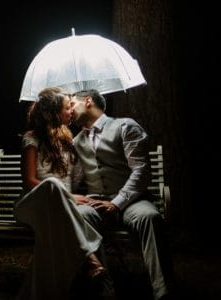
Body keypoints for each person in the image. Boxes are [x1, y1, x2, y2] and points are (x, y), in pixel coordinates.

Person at [69, 89, 175, 300]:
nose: (69, 110)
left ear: (88, 101)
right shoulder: (77, 141)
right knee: (78, 216)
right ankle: (104, 292)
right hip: (96, 202)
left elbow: (141, 171)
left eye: (72, 103)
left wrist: (117, 203)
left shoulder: (125, 126)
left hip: (132, 201)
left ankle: (164, 292)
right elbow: (74, 179)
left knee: (150, 217)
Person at [14, 87, 114, 300]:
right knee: (51, 184)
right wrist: (69, 197)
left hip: (61, 208)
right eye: (67, 107)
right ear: (53, 112)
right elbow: (30, 181)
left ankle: (97, 289)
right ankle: (90, 259)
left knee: (75, 214)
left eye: (71, 107)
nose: (71, 111)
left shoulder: (69, 140)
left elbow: (76, 179)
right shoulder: (32, 138)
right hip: (32, 206)